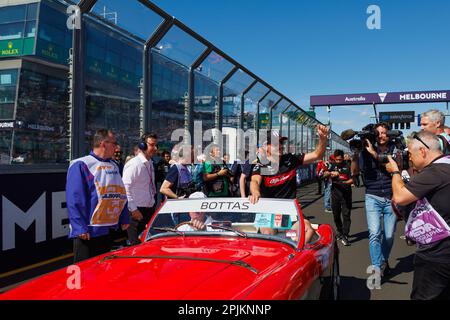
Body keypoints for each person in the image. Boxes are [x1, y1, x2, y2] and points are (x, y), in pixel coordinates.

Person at [385, 130, 450, 300]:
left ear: (422, 151)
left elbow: (400, 197)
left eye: (410, 154)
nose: (410, 159)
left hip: (436, 253)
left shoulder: (435, 172)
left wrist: (395, 172)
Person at [249, 125, 329, 244]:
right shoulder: (261, 165)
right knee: (268, 234)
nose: (281, 146)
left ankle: (295, 258)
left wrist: (323, 139)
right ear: (266, 147)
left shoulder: (290, 159)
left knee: (307, 230)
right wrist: (255, 192)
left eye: (281, 143)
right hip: (268, 213)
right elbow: (255, 181)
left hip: (289, 212)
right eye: (276, 144)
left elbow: (317, 155)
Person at [66, 129, 129, 263]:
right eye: (114, 143)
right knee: (84, 271)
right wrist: (79, 227)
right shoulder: (81, 164)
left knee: (102, 269)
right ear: (103, 144)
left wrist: (124, 217)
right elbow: (75, 199)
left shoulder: (114, 165)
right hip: (87, 231)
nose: (117, 147)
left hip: (106, 229)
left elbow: (120, 193)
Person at [353, 122, 397, 277]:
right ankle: (376, 267)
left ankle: (383, 260)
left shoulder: (395, 148)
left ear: (389, 133)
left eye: (384, 132)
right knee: (374, 233)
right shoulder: (366, 149)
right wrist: (357, 152)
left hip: (391, 197)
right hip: (372, 196)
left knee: (390, 235)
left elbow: (392, 167)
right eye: (378, 133)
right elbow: (357, 170)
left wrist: (374, 153)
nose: (381, 135)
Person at [122, 133, 158, 246]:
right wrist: (133, 210)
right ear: (142, 146)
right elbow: (125, 187)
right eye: (152, 145)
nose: (155, 148)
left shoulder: (150, 163)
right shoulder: (134, 164)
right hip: (136, 212)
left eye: (156, 145)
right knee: (135, 247)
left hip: (148, 210)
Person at [323, 150, 353, 246]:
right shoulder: (332, 165)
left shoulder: (348, 166)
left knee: (346, 215)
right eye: (337, 160)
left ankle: (345, 234)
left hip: (346, 194)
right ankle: (340, 232)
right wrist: (327, 173)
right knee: (336, 215)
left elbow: (353, 180)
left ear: (343, 158)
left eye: (340, 159)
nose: (338, 161)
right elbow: (324, 174)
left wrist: (339, 177)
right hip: (335, 194)